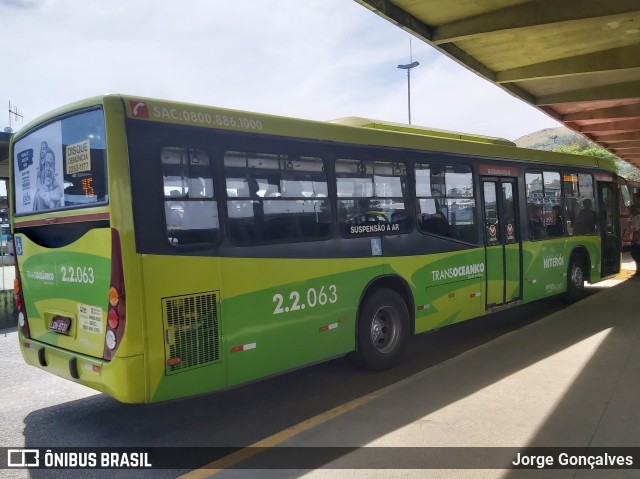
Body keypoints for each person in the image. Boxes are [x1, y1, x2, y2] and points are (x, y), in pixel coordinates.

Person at [32, 141, 63, 211]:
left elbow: (59, 191)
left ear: (54, 169)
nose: (48, 169)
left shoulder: (57, 197)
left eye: (51, 165)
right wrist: (45, 195)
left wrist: (49, 195)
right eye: (46, 165)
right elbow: (38, 184)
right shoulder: (38, 197)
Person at [629, 192, 640, 278]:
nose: (634, 200)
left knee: (636, 252)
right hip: (636, 233)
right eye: (633, 198)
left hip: (638, 233)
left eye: (635, 198)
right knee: (635, 252)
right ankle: (638, 270)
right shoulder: (633, 208)